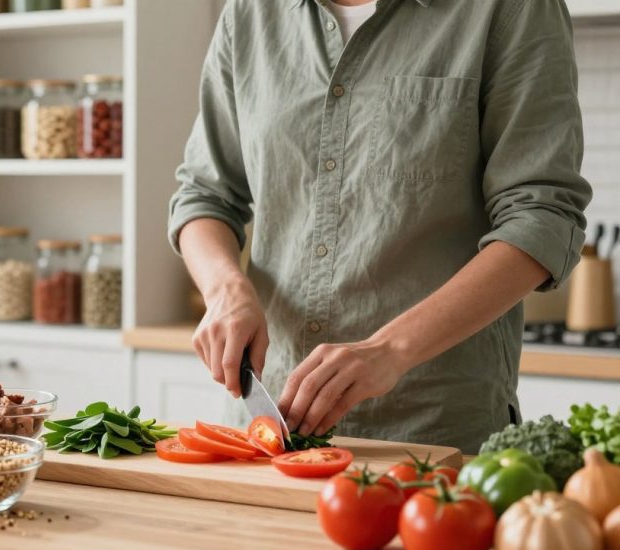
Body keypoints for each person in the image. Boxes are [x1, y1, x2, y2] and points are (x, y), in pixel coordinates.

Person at [168, 0, 592, 453]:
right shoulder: (250, 13)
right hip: (267, 432)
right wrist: (225, 291)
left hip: (433, 439)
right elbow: (205, 194)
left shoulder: (512, 8)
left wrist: (390, 350)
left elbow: (542, 215)